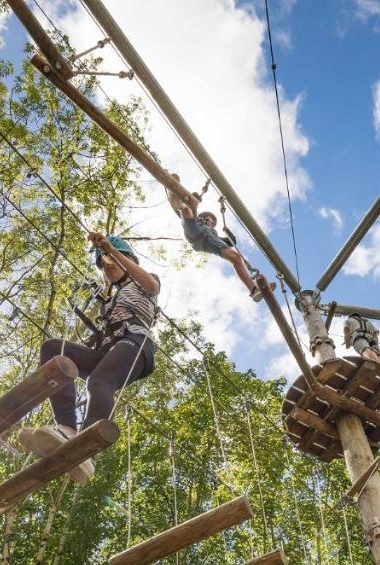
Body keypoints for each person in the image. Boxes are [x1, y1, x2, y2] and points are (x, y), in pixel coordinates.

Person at [20, 233, 158, 481]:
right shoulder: (111, 299)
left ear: (128, 259)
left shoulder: (142, 284)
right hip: (109, 352)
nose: (108, 267)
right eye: (103, 266)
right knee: (54, 349)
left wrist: (108, 249)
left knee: (98, 381)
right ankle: (67, 429)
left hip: (136, 345)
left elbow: (152, 285)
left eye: (112, 261)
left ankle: (87, 453)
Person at [166, 173, 273, 302]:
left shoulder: (214, 234)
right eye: (209, 218)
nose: (210, 221)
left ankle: (253, 290)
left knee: (236, 258)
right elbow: (194, 208)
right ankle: (177, 202)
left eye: (212, 221)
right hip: (195, 230)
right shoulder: (197, 218)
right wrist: (195, 198)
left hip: (208, 242)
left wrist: (229, 232)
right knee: (188, 210)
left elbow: (231, 242)